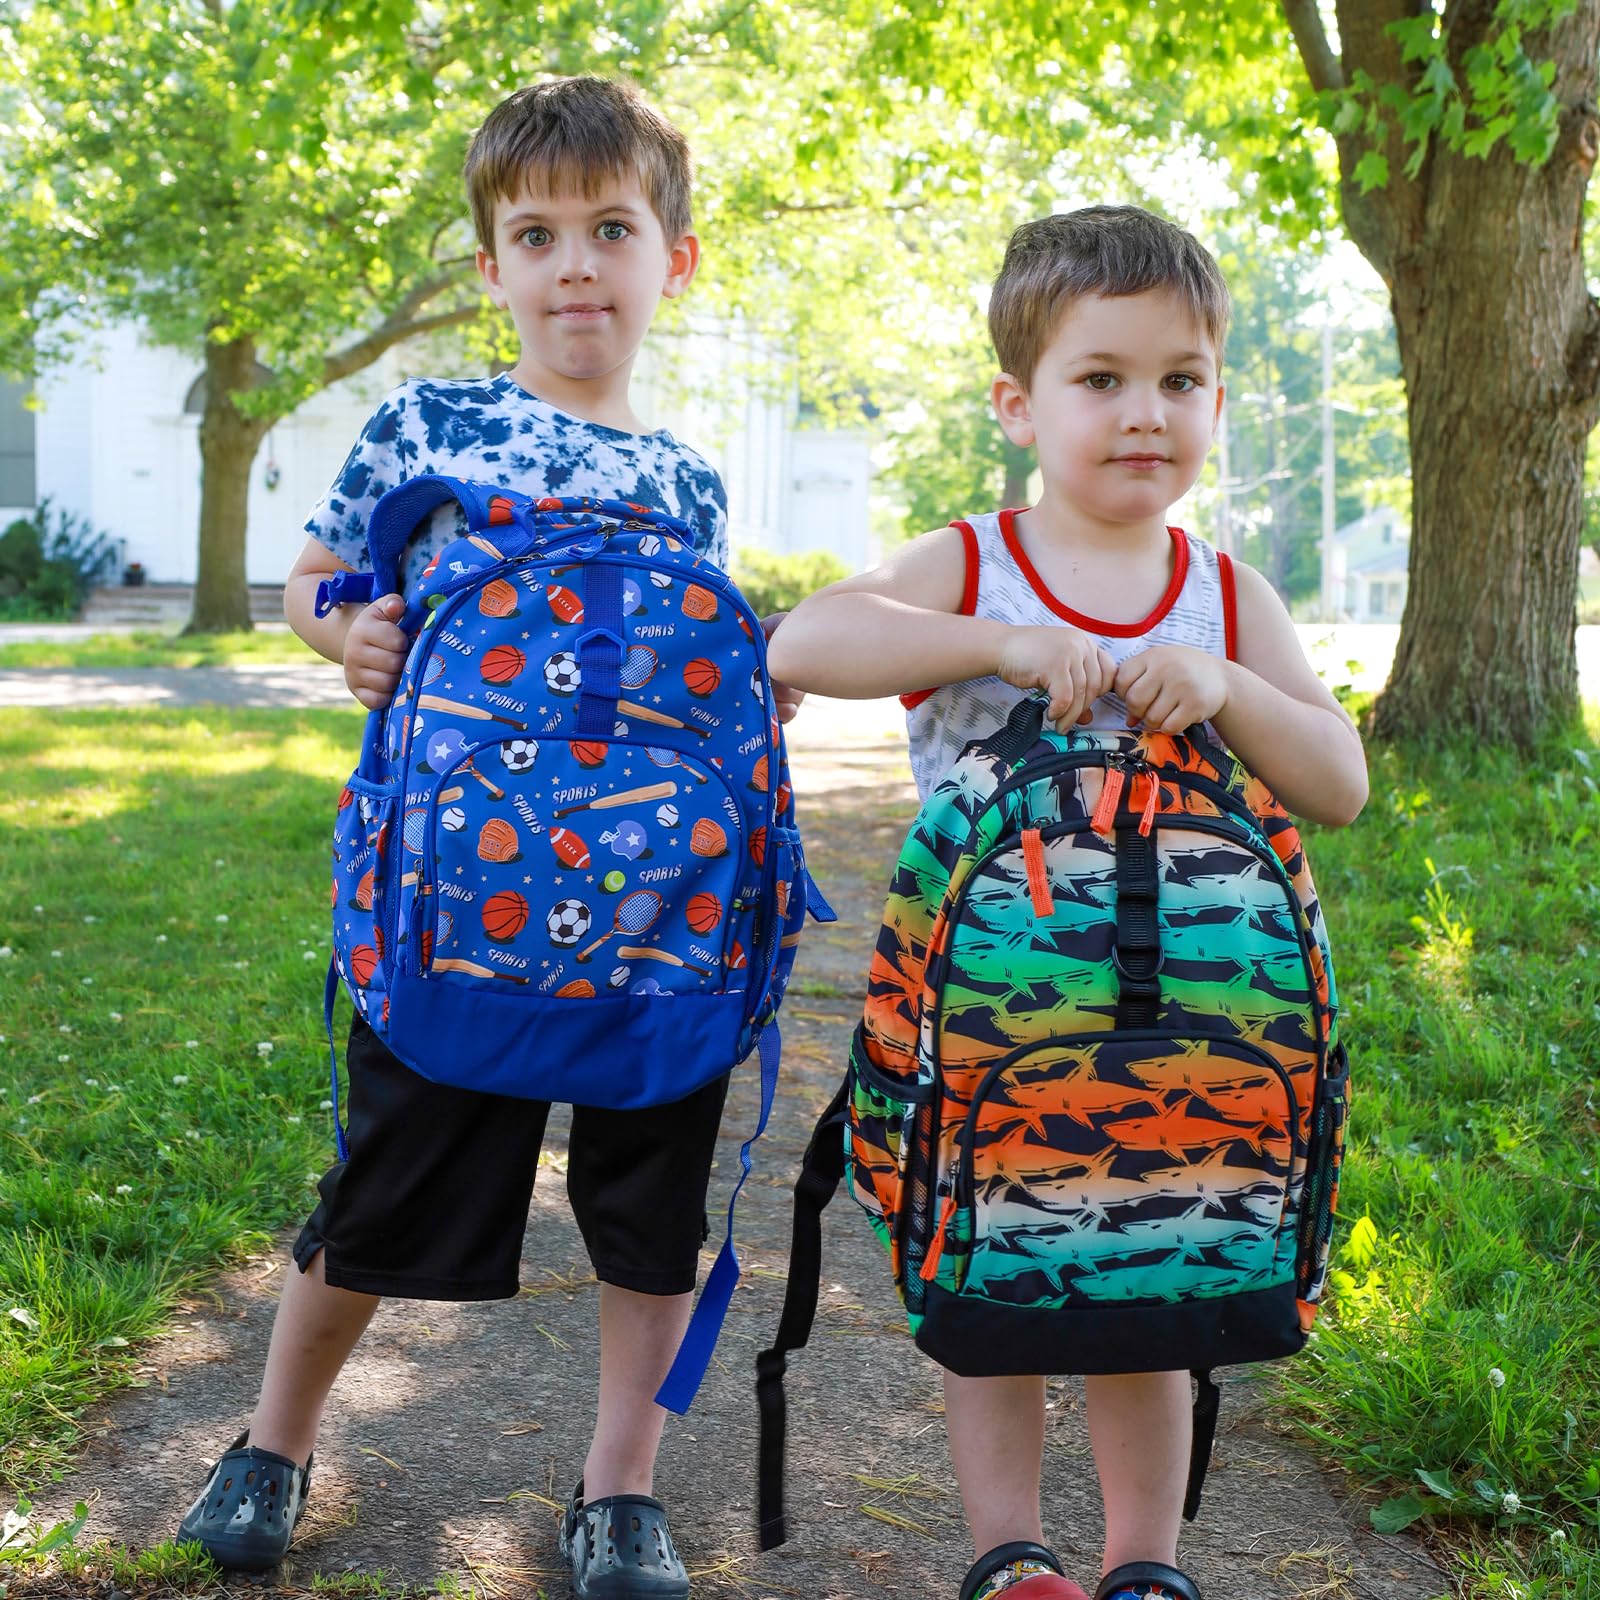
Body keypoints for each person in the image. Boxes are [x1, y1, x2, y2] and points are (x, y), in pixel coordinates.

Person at [178, 76, 789, 1598]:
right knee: (380, 1194)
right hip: (457, 906)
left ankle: (617, 1490)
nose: (575, 261)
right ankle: (270, 1444)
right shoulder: (431, 422)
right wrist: (352, 639)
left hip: (658, 921)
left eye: (611, 227)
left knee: (649, 1221)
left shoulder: (691, 481)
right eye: (537, 234)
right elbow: (316, 583)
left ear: (675, 259)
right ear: (491, 269)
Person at [766, 206, 1367, 1600]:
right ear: (1018, 404)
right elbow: (808, 636)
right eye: (1100, 379)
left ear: (1216, 394)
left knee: (1153, 1297)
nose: (1144, 412)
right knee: (1000, 1293)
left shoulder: (1227, 593)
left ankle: (1142, 1564)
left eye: (1181, 379)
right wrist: (1000, 644)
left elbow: (1337, 782)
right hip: (989, 1038)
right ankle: (1009, 1556)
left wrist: (1226, 688)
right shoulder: (976, 561)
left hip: (1192, 1042)